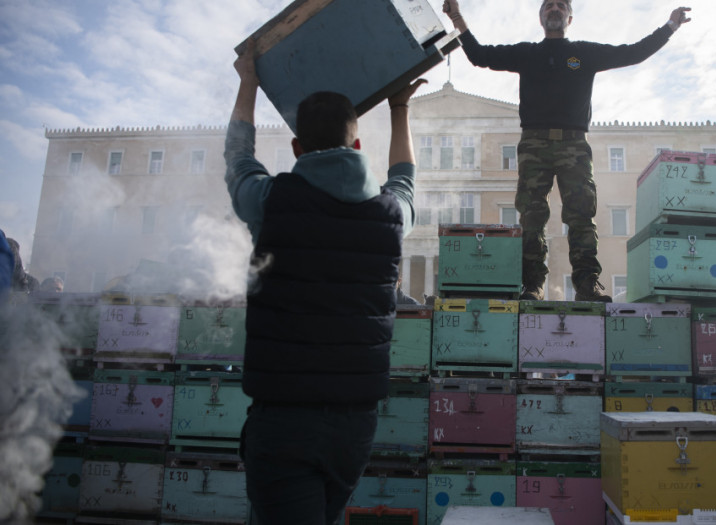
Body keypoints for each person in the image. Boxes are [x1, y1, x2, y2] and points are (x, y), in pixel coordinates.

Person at [226, 38, 426, 525]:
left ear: (297, 147)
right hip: (353, 428)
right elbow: (405, 178)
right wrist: (400, 108)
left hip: (283, 420)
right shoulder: (390, 215)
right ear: (357, 144)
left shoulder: (270, 199)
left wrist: (249, 83)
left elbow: (237, 160)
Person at [442, 0, 691, 302]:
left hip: (574, 144)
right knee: (532, 216)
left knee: (581, 215)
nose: (555, 9)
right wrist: (457, 17)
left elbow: (632, 52)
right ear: (541, 17)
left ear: (570, 18)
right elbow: (480, 56)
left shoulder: (583, 54)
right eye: (549, 6)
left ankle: (587, 285)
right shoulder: (527, 54)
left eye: (561, 5)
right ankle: (532, 285)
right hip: (534, 144)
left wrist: (670, 27)